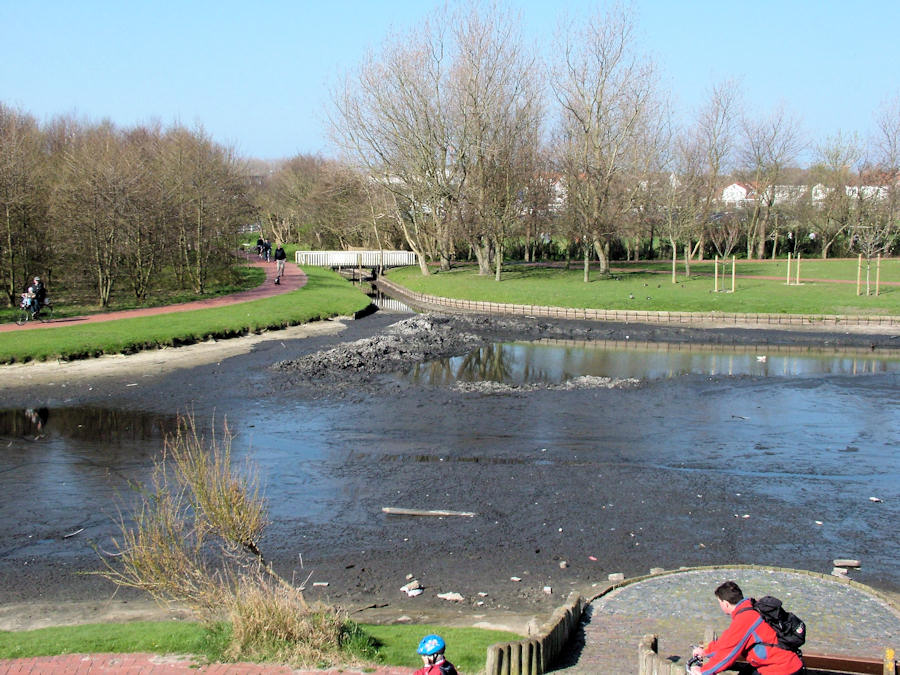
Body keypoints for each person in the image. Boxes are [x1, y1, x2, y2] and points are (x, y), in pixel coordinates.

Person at [690, 581, 804, 675]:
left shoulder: (745, 619)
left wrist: (703, 671)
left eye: (719, 602)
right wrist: (706, 651)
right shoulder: (750, 608)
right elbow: (728, 641)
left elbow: (728, 654)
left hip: (782, 669)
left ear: (725, 603)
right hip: (776, 665)